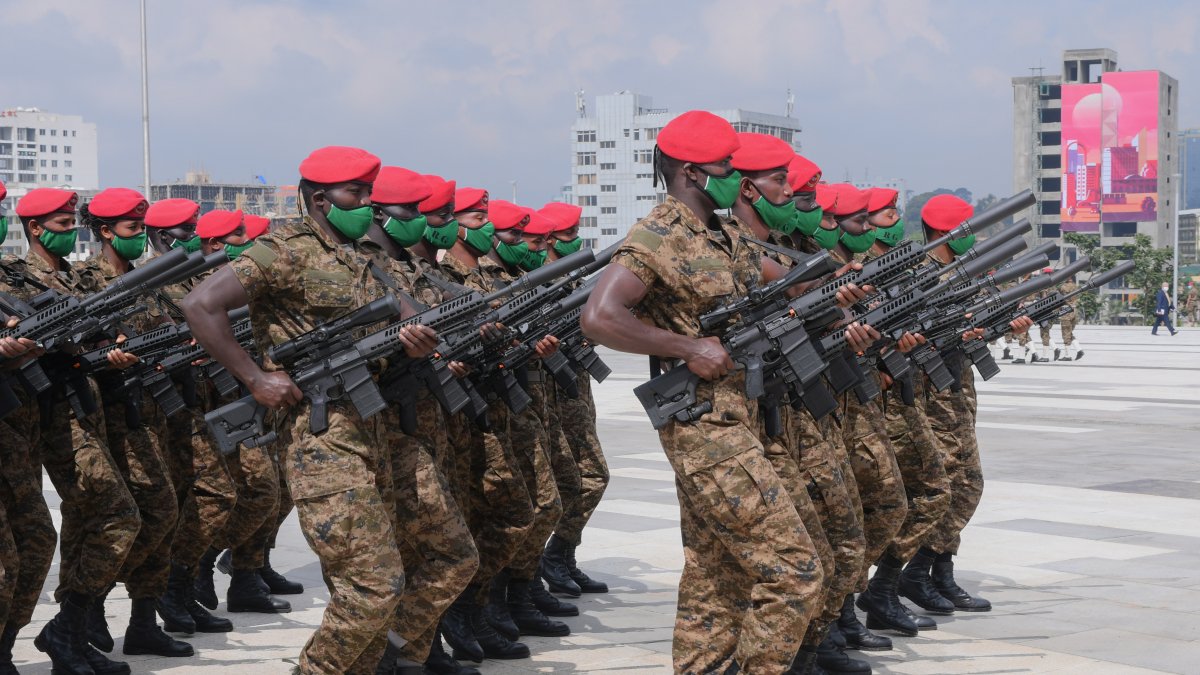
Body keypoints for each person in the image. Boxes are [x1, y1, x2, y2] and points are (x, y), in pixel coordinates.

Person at [582, 110, 872, 674]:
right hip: (703, 426)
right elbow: (600, 316)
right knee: (795, 568)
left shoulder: (724, 232)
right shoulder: (657, 237)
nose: (733, 179)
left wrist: (836, 291)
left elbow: (780, 279)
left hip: (743, 418)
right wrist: (687, 347)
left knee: (714, 572)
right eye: (725, 167)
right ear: (692, 172)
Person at [182, 146, 439, 674]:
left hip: (372, 431)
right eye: (356, 194)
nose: (367, 204)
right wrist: (255, 377)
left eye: (370, 194)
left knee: (377, 587)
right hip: (322, 437)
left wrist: (416, 337)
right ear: (321, 200)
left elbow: (412, 315)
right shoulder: (284, 249)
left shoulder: (360, 256)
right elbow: (199, 304)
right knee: (373, 586)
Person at [17, 187, 141, 675]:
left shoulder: (69, 278)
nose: (72, 234)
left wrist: (111, 348)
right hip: (49, 419)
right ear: (35, 228)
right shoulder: (22, 280)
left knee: (94, 520)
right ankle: (65, 629)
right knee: (117, 515)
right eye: (64, 226)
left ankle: (72, 632)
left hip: (84, 411)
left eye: (72, 224)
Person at [82, 188, 195, 659]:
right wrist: (108, 352)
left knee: (165, 512)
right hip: (111, 416)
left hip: (155, 411)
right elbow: (75, 347)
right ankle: (86, 604)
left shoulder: (147, 278)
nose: (140, 237)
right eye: (133, 229)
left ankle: (144, 619)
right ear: (107, 231)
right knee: (123, 515)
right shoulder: (86, 281)